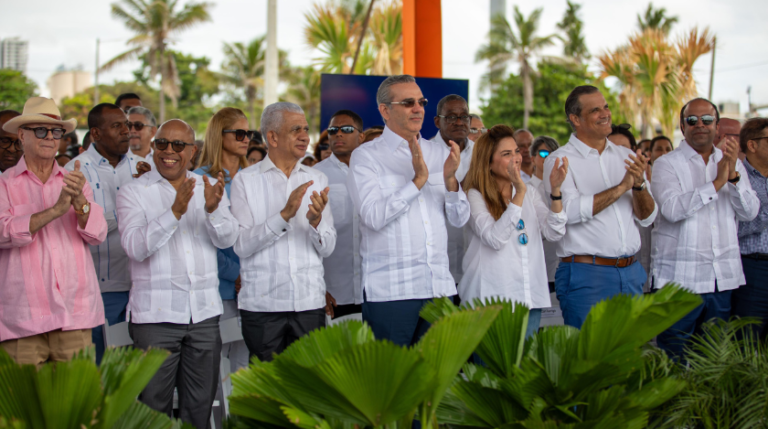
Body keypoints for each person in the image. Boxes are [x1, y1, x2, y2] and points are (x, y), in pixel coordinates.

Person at [117, 119, 238, 429]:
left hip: (204, 316)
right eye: (162, 144)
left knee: (198, 410)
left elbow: (227, 239)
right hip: (155, 319)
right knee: (152, 411)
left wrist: (212, 211)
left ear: (192, 151)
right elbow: (135, 247)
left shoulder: (207, 189)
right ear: (154, 147)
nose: (168, 151)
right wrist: (174, 212)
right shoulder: (134, 192)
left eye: (178, 145)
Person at [347, 75, 469, 346]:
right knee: (392, 384)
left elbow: (460, 219)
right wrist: (417, 181)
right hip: (392, 291)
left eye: (421, 102)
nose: (418, 108)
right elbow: (373, 216)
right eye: (408, 102)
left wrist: (451, 181)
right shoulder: (366, 156)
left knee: (437, 381)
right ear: (385, 111)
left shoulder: (439, 154)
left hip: (439, 288)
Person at [0, 97, 107, 366]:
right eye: (41, 130)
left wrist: (80, 203)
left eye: (56, 131)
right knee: (22, 407)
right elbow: (3, 232)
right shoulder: (4, 184)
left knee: (78, 407)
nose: (50, 137)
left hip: (75, 314)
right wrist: (55, 210)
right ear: (21, 136)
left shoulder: (75, 181)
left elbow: (97, 234)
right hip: (22, 320)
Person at [651, 98, 759, 359]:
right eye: (692, 120)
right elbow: (672, 210)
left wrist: (732, 177)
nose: (700, 125)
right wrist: (716, 183)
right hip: (678, 281)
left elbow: (749, 212)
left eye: (707, 120)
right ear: (682, 125)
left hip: (720, 279)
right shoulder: (667, 164)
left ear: (717, 126)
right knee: (674, 360)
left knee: (712, 363)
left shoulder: (733, 162)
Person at [543, 85, 656, 329]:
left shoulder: (625, 155)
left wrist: (638, 186)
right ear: (575, 119)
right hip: (587, 275)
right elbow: (568, 213)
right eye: (596, 110)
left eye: (605, 106)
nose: (605, 113)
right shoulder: (559, 160)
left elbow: (647, 218)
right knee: (588, 360)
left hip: (631, 272)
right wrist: (621, 187)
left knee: (627, 357)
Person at [230, 102, 336, 361]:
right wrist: (283, 216)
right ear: (273, 137)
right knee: (267, 393)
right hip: (263, 306)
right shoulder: (245, 180)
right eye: (295, 129)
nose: (305, 136)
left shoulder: (317, 179)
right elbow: (241, 245)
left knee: (308, 391)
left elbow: (329, 247)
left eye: (306, 129)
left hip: (309, 303)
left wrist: (315, 222)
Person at [460, 125, 568, 337]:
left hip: (529, 298)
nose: (517, 158)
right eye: (506, 154)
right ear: (488, 163)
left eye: (516, 151)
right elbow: (495, 239)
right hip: (490, 302)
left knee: (522, 369)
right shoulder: (474, 195)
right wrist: (519, 193)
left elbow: (555, 232)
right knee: (492, 370)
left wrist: (555, 192)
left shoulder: (530, 194)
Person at [65, 103, 149, 365]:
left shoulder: (144, 167)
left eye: (127, 125)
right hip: (99, 289)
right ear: (96, 134)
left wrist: (150, 192)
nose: (127, 131)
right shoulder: (74, 171)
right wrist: (130, 210)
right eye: (117, 126)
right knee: (101, 370)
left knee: (139, 372)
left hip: (142, 287)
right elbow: (79, 226)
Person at [194, 107, 251, 373]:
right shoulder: (198, 180)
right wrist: (236, 274)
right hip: (218, 289)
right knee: (215, 369)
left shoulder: (255, 177)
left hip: (255, 287)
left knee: (245, 366)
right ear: (220, 135)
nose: (246, 138)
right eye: (239, 133)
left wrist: (250, 273)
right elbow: (199, 240)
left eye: (249, 133)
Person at [315, 109, 365, 318]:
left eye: (346, 129)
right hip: (333, 290)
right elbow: (309, 235)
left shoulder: (374, 172)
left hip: (372, 289)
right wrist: (319, 287)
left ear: (361, 136)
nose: (338, 134)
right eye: (333, 130)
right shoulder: (317, 175)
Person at [432, 94, 473, 285]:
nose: (459, 122)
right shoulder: (424, 155)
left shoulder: (484, 154)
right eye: (450, 117)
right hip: (437, 266)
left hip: (477, 263)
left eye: (464, 116)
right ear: (437, 121)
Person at [733, 117, 768, 341]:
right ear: (752, 145)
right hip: (752, 267)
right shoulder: (737, 178)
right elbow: (735, 228)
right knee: (747, 341)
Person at [529, 135, 561, 292]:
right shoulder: (524, 190)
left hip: (562, 267)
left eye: (553, 153)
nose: (548, 157)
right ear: (533, 159)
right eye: (543, 153)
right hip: (535, 268)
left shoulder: (566, 189)